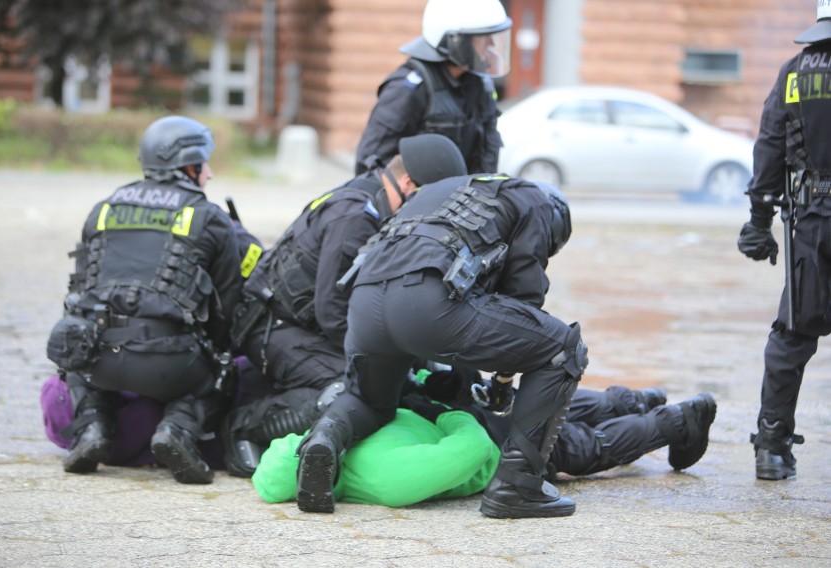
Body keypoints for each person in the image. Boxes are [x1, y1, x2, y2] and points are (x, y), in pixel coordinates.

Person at [294, 174, 717, 518]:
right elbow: (523, 299)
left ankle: (324, 442)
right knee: (561, 347)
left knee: (367, 400)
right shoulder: (535, 202)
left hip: (366, 304)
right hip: (425, 305)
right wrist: (502, 372)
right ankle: (519, 486)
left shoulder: (445, 192)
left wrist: (496, 377)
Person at [220, 133, 469, 476]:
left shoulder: (382, 204)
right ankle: (243, 426)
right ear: (409, 184)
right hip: (273, 327)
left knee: (395, 383)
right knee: (353, 391)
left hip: (307, 325)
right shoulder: (354, 216)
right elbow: (334, 313)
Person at [45, 115, 243, 484]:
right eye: (205, 163)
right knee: (224, 369)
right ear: (188, 165)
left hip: (96, 362)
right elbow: (226, 308)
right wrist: (215, 356)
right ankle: (177, 429)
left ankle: (92, 427)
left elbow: (78, 293)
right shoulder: (208, 217)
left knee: (75, 338)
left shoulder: (102, 209)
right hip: (169, 365)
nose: (210, 173)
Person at [253, 382, 715, 509]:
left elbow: (471, 448)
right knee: (558, 413)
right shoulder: (333, 432)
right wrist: (443, 411)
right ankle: (639, 402)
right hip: (462, 416)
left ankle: (672, 422)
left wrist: (448, 417)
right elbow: (270, 473)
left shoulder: (382, 481)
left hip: (482, 434)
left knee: (581, 446)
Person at [737, 1, 831, 480]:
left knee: (792, 337)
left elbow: (770, 144)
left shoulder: (795, 70)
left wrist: (758, 220)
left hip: (813, 221)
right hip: (813, 216)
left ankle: (771, 448)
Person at [354, 0, 511, 176]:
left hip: (464, 198)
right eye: (483, 39)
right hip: (418, 201)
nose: (491, 46)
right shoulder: (407, 89)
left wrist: (484, 195)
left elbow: (487, 154)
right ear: (456, 42)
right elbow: (370, 163)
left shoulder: (481, 86)